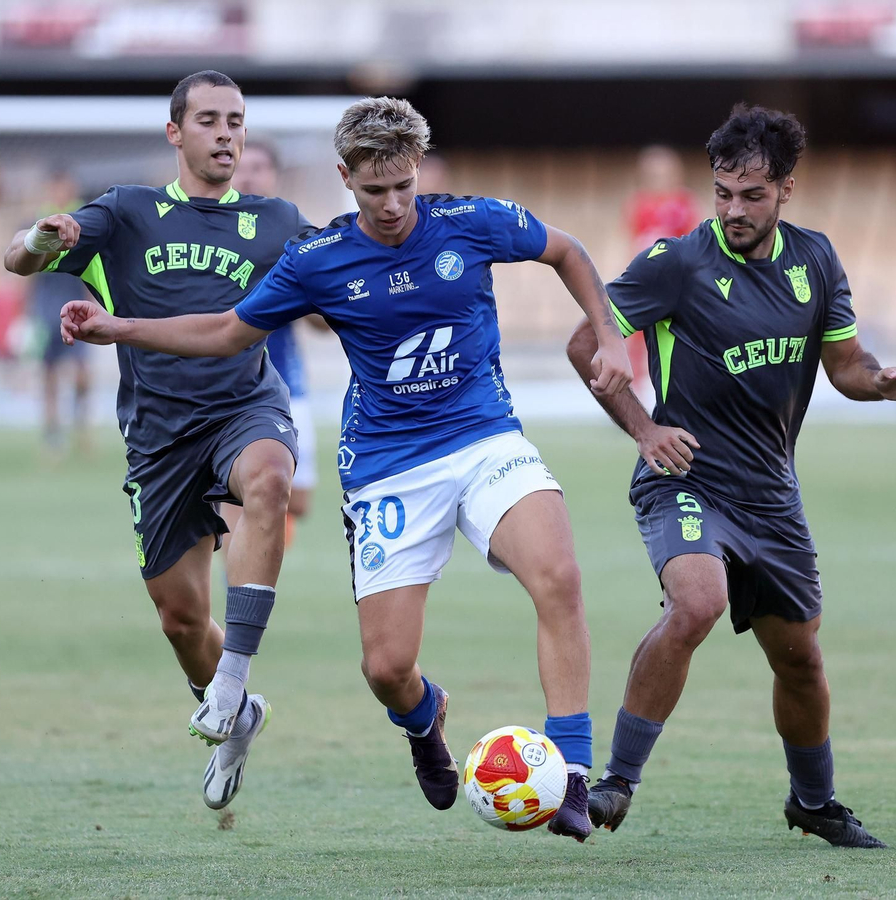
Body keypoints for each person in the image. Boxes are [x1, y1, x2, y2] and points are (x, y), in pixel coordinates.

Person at [58, 96, 633, 841]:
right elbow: (229, 331)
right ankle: (426, 723)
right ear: (345, 178)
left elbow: (568, 252)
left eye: (403, 187)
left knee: (558, 575)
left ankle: (573, 776)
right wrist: (120, 327)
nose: (393, 206)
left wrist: (611, 337)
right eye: (374, 191)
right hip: (390, 468)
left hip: (485, 438)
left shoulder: (472, 221)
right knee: (387, 668)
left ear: (416, 171)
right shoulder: (318, 259)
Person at [567, 105, 896, 848]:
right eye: (722, 193)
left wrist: (882, 380)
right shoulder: (677, 264)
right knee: (696, 603)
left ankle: (814, 803)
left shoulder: (817, 261)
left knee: (800, 659)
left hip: (771, 496)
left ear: (786, 190)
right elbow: (583, 344)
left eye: (751, 195)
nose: (732, 209)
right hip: (686, 478)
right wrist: (644, 427)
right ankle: (616, 782)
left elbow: (845, 366)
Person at [3, 70, 309, 810]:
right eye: (209, 120)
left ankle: (233, 678)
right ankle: (235, 713)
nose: (226, 134)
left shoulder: (276, 220)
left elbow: (335, 297)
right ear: (175, 132)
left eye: (235, 120)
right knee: (178, 617)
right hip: (159, 437)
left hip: (244, 409)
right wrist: (41, 238)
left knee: (270, 480)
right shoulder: (127, 212)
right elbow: (18, 260)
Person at [221, 142, 316, 543]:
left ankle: (254, 560)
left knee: (298, 499)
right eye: (242, 166)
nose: (248, 175)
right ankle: (240, 589)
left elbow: (322, 323)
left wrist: (301, 295)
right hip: (225, 388)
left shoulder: (290, 232)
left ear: (275, 175)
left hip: (287, 384)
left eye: (259, 166)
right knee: (242, 490)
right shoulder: (211, 231)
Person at [621, 145, 702, 406]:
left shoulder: (685, 204)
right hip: (646, 280)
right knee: (634, 337)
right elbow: (634, 242)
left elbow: (694, 242)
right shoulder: (638, 204)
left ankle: (684, 395)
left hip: (676, 282)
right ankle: (631, 396)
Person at [26, 167, 91, 457]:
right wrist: (25, 312)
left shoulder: (84, 219)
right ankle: (52, 433)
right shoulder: (39, 222)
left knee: (81, 375)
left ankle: (80, 427)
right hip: (45, 307)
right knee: (49, 373)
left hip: (76, 305)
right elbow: (26, 270)